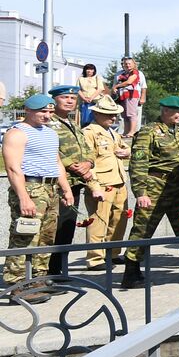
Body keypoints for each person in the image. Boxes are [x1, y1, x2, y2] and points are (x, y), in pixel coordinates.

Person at [121, 96, 179, 289]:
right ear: (165, 111)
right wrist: (140, 192)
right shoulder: (148, 132)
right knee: (143, 229)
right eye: (178, 112)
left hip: (178, 187)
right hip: (154, 187)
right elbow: (138, 163)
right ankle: (131, 273)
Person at [3, 94, 72, 296]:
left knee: (46, 237)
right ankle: (16, 283)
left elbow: (56, 163)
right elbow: (13, 168)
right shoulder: (17, 133)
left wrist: (66, 189)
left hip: (50, 189)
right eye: (43, 111)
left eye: (50, 111)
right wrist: (23, 197)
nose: (47, 115)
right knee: (25, 236)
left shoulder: (50, 133)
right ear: (29, 110)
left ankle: (38, 279)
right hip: (30, 188)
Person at [48, 85, 101, 274]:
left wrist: (88, 163)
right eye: (65, 98)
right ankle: (50, 272)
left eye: (72, 98)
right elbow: (53, 151)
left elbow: (87, 150)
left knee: (67, 229)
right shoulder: (48, 123)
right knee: (54, 229)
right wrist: (73, 166)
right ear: (54, 100)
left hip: (75, 183)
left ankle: (60, 271)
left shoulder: (73, 123)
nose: (70, 101)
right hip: (58, 185)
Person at [82, 96, 131, 269]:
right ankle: (95, 258)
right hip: (102, 184)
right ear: (96, 113)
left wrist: (127, 152)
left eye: (114, 114)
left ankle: (113, 252)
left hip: (118, 181)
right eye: (108, 114)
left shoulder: (113, 132)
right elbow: (88, 162)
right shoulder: (89, 133)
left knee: (119, 219)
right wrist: (94, 186)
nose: (113, 118)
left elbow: (124, 148)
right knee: (99, 221)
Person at [112, 56, 147, 137]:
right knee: (125, 115)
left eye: (129, 64)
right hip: (122, 95)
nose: (127, 65)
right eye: (125, 64)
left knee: (131, 114)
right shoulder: (119, 74)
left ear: (134, 64)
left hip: (132, 95)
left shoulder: (136, 72)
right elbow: (114, 85)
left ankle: (132, 131)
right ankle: (126, 131)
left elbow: (130, 82)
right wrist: (114, 90)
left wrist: (143, 97)